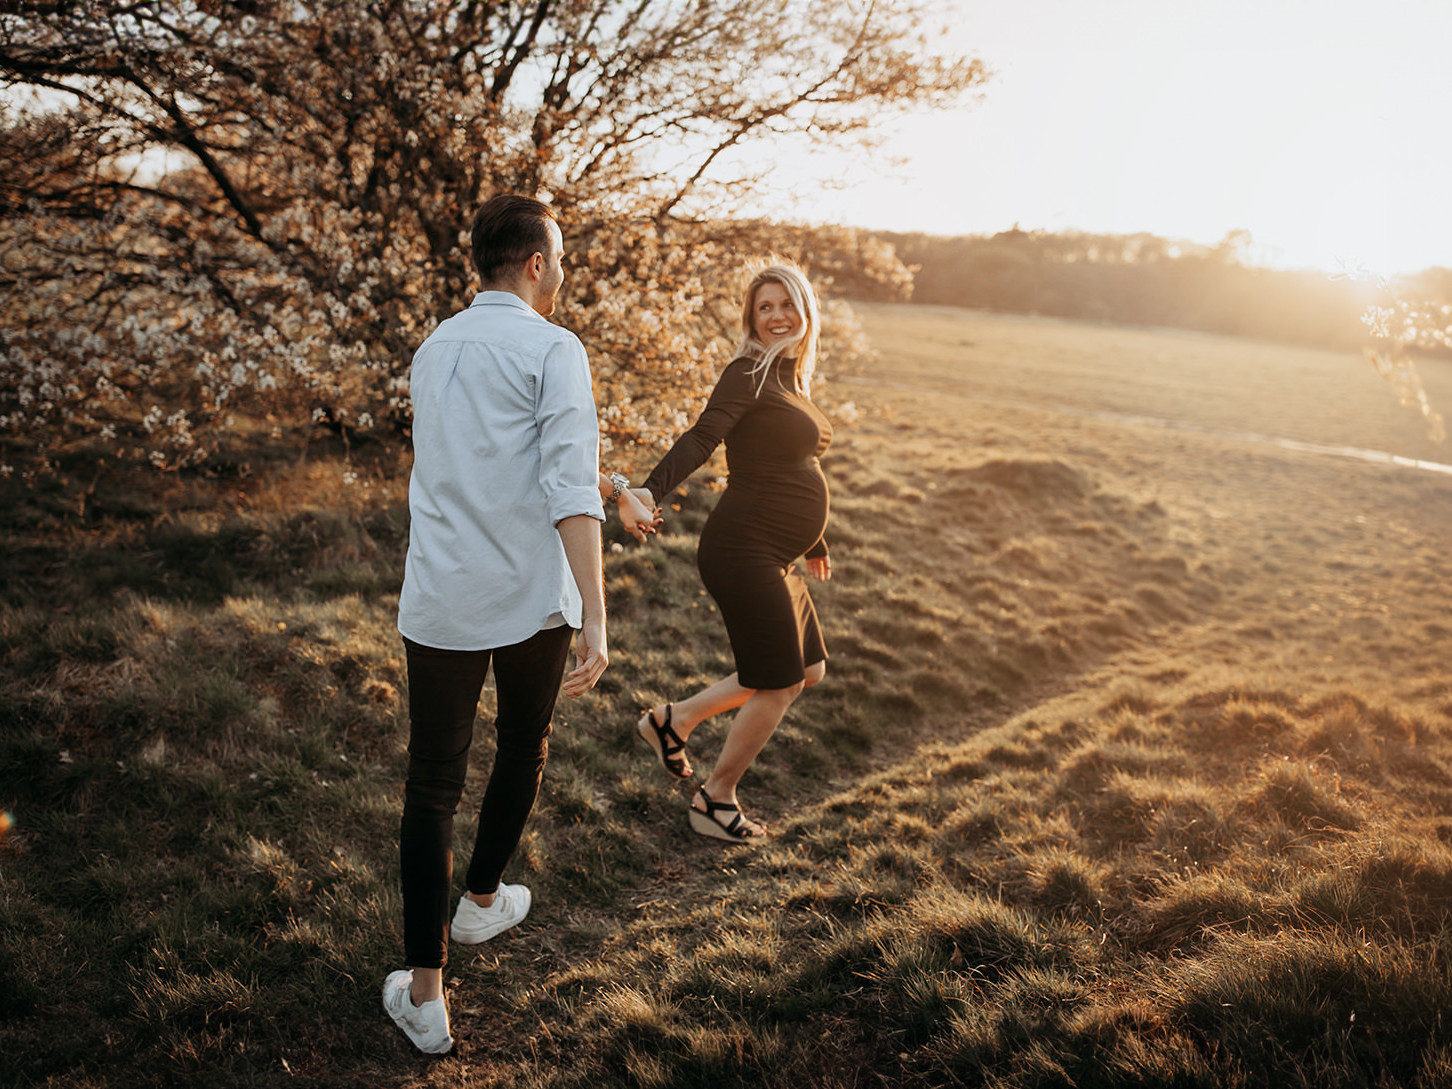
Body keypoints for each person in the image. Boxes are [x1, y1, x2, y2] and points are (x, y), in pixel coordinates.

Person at [382, 193, 658, 1055]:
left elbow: (502, 451)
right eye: (562, 258)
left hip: (442, 595)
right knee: (522, 746)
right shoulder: (555, 347)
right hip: (532, 599)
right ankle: (480, 900)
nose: (564, 272)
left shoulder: (434, 346)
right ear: (536, 262)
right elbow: (563, 482)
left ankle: (426, 991)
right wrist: (598, 619)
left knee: (432, 785)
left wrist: (612, 483)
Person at [630, 260, 833, 843]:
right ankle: (714, 799)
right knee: (779, 681)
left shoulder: (791, 378)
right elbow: (702, 436)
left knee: (808, 669)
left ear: (804, 312)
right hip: (743, 547)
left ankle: (677, 719)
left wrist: (813, 538)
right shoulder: (747, 372)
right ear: (752, 317)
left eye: (785, 305)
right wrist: (648, 490)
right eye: (764, 307)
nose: (775, 316)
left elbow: (796, 463)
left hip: (778, 551)